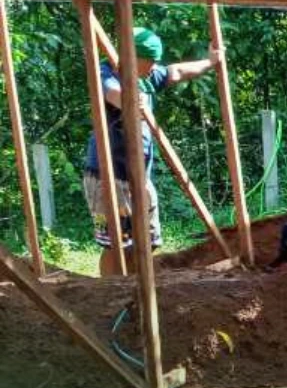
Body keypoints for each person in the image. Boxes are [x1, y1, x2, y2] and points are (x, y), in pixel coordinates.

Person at [83, 28, 221, 277]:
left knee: (149, 239)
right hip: (108, 177)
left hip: (138, 177)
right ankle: (111, 291)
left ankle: (136, 286)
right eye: (151, 61)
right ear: (132, 57)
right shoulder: (106, 72)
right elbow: (112, 93)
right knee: (117, 245)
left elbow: (177, 71)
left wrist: (210, 62)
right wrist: (129, 99)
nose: (155, 66)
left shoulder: (146, 76)